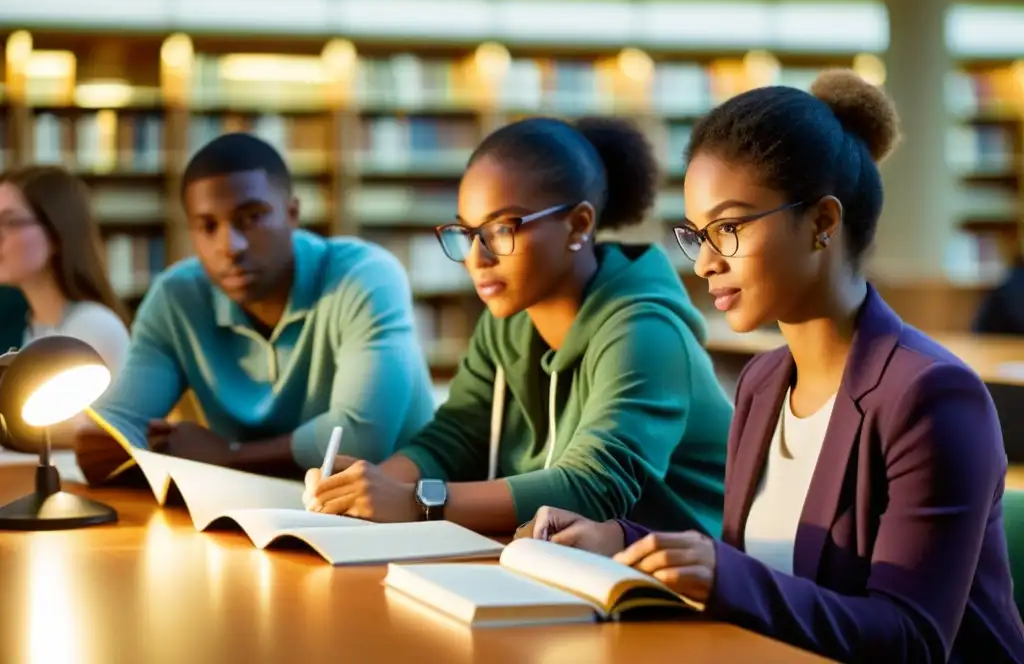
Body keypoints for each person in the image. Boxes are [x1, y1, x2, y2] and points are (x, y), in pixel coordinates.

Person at [523, 71, 1024, 663]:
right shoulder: (762, 384)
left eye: (729, 228)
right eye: (697, 234)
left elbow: (911, 640)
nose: (705, 262)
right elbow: (763, 567)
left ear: (822, 223)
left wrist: (722, 577)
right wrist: (621, 539)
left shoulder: (934, 397)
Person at [303, 116, 733, 536]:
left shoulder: (646, 331)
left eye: (502, 228)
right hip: (556, 561)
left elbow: (592, 488)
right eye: (468, 232)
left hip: (677, 586)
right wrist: (362, 487)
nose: (477, 258)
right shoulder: (508, 320)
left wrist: (415, 502)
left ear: (578, 225)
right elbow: (454, 438)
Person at [75, 132, 435, 482]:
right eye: (208, 226)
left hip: (399, 515)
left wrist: (229, 457)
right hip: (255, 510)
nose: (230, 246)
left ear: (292, 213)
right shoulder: (175, 297)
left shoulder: (365, 276)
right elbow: (109, 439)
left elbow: (359, 440)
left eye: (251, 217)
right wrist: (145, 443)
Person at [0, 166, 131, 445]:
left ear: (57, 233)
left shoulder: (93, 326)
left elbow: (56, 434)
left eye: (9, 223)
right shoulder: (34, 324)